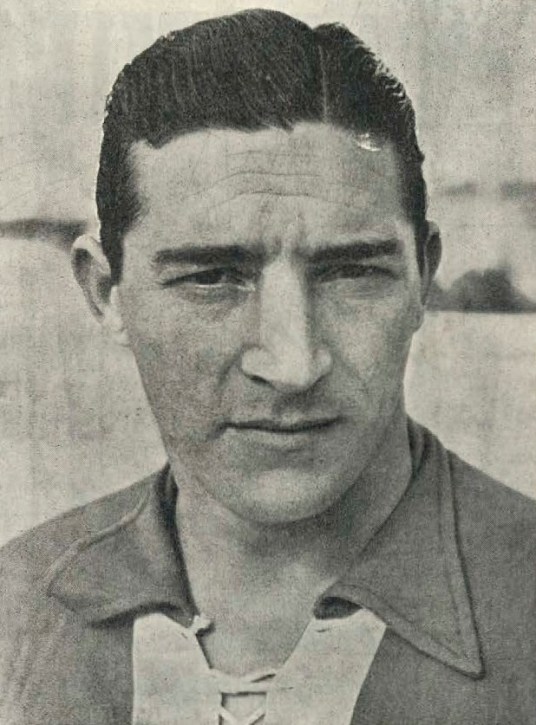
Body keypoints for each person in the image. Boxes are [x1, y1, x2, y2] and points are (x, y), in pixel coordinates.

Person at [1, 9, 535, 724]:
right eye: (212, 277)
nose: (293, 363)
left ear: (422, 278)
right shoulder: (15, 607)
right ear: (106, 293)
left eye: (351, 272)